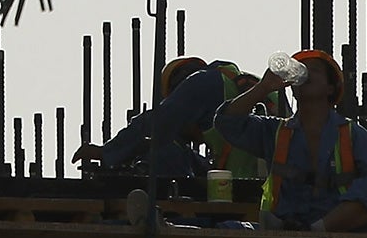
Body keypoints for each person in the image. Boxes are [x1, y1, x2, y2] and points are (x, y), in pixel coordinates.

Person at [214, 50, 367, 231]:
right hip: (281, 226)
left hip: (334, 227)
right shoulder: (276, 132)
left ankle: (315, 230)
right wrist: (263, 87)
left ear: (330, 88)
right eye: (302, 68)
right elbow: (227, 123)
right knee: (224, 231)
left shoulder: (353, 135)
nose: (306, 73)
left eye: (315, 70)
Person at [75, 56, 282, 182]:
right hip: (277, 193)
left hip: (246, 198)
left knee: (167, 148)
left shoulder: (202, 83)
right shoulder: (262, 89)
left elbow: (156, 123)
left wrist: (107, 152)